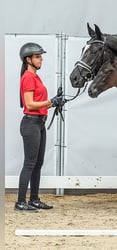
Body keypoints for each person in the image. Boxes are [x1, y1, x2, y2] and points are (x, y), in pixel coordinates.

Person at [15, 42, 64, 211]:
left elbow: (38, 102)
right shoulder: (28, 77)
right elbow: (29, 104)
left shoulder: (35, 77)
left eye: (40, 56)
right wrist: (51, 102)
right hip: (31, 123)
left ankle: (34, 199)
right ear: (28, 59)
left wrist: (54, 101)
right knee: (30, 163)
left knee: (37, 163)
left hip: (39, 123)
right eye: (37, 56)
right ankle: (20, 202)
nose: (41, 59)